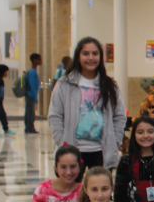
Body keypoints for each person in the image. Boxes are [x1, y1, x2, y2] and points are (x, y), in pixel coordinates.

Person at [48, 37, 127, 168]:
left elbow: (119, 116)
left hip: (101, 152)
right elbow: (55, 116)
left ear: (100, 57)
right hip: (72, 151)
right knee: (73, 188)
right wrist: (63, 144)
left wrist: (115, 140)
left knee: (99, 188)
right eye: (86, 53)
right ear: (78, 57)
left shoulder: (110, 85)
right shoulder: (64, 84)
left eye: (95, 54)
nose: (91, 58)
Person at [24, 53, 42, 134]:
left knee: (30, 111)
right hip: (30, 95)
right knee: (30, 112)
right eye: (39, 59)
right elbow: (32, 85)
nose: (41, 61)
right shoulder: (31, 72)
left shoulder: (33, 71)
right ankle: (29, 128)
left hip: (31, 95)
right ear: (35, 60)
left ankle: (30, 127)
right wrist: (35, 97)